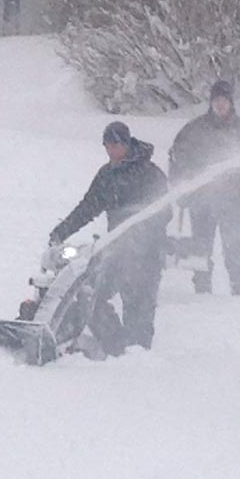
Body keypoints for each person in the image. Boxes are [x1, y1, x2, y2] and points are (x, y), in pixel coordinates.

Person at [49, 121, 171, 357]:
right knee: (91, 296)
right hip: (117, 251)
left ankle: (138, 355)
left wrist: (140, 229)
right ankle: (115, 344)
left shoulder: (150, 173)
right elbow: (87, 207)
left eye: (115, 146)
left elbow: (165, 212)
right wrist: (61, 232)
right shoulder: (107, 175)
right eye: (107, 147)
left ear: (126, 144)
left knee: (139, 308)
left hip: (147, 255)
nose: (111, 151)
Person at [168, 80, 240, 296]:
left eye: (224, 100)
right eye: (216, 101)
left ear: (231, 103)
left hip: (234, 202)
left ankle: (238, 289)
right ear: (211, 103)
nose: (220, 105)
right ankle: (202, 289)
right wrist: (181, 189)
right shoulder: (194, 130)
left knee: (234, 246)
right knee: (201, 246)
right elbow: (176, 160)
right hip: (201, 201)